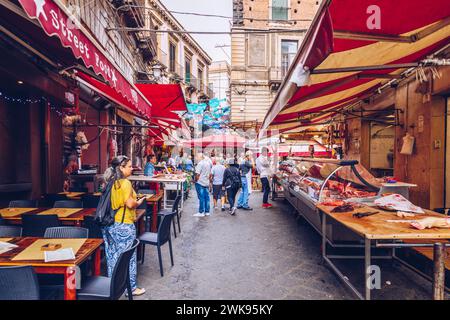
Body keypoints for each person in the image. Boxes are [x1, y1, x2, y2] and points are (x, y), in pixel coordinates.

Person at [102, 155, 146, 296]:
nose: (131, 168)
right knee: (129, 257)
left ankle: (113, 287)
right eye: (129, 166)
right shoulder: (125, 183)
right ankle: (131, 288)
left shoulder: (110, 182)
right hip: (124, 225)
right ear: (121, 167)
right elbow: (129, 204)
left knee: (113, 256)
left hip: (110, 225)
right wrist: (138, 202)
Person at [193, 153, 211, 217]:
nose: (196, 158)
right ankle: (207, 211)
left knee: (201, 197)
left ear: (200, 157)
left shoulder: (200, 163)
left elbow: (197, 174)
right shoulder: (208, 163)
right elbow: (210, 174)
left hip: (200, 182)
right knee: (207, 197)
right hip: (206, 182)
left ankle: (201, 212)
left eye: (197, 157)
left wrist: (195, 181)